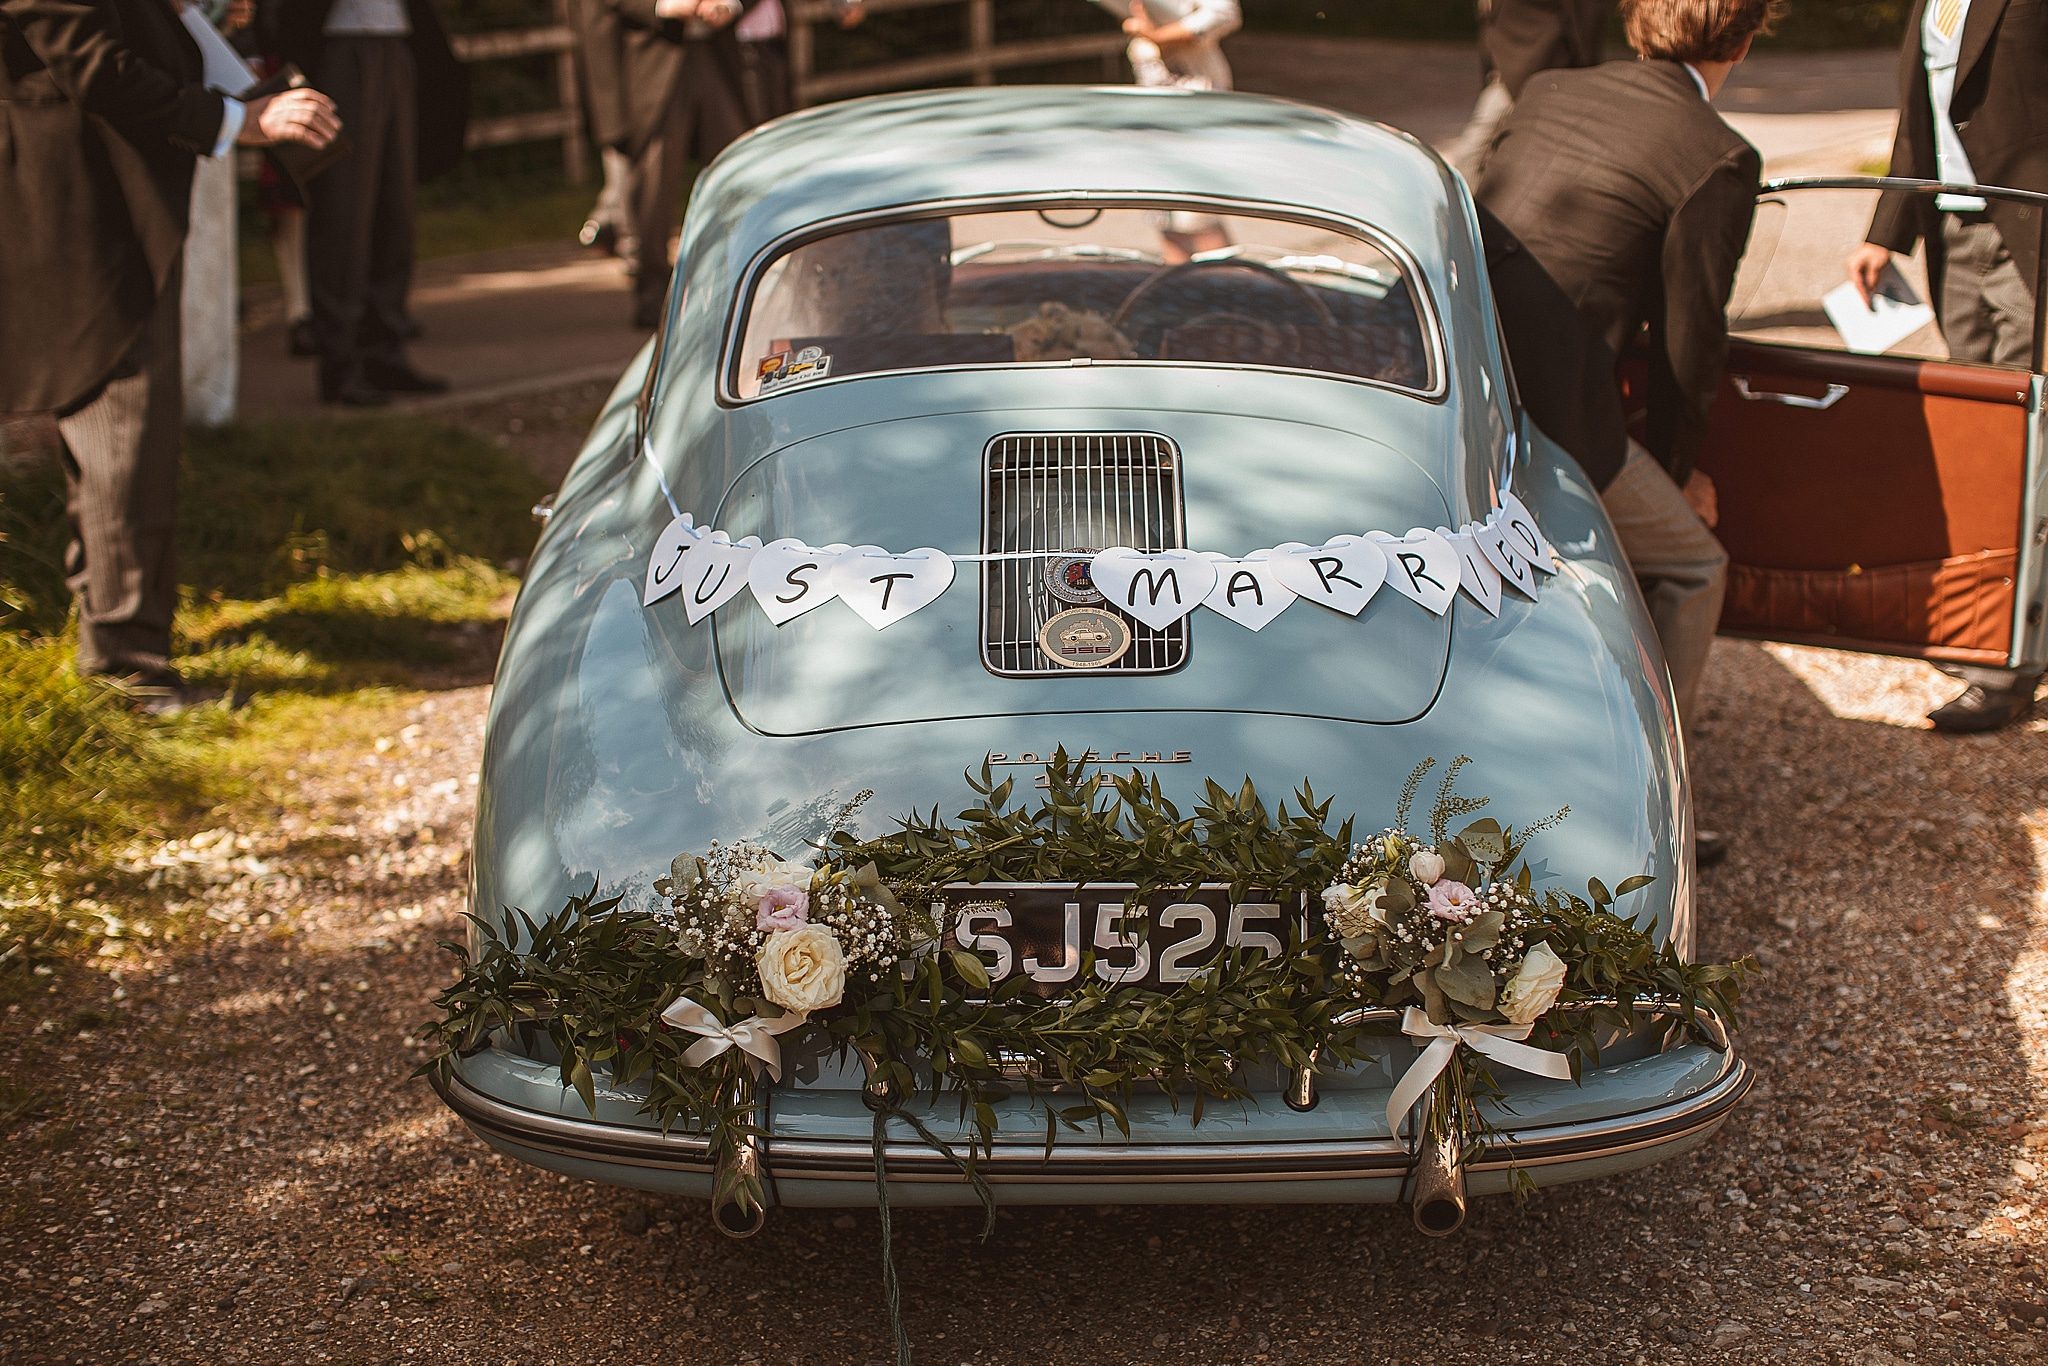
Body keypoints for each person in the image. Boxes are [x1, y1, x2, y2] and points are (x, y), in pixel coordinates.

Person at [1478, 0, 1784, 867]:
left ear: (1638, 20)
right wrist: (1682, 471)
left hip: (1462, 363)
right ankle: (1656, 802)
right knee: (1693, 564)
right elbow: (1693, 339)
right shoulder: (1715, 153)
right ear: (1746, 37)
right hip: (1552, 408)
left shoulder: (1547, 90)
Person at [1, 0, 338, 710]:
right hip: (82, 206)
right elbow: (100, 66)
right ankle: (129, 673)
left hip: (111, 199)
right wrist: (239, 121)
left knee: (124, 438)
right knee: (125, 434)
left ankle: (113, 642)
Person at [1845, 0, 2045, 733]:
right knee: (1984, 442)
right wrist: (1887, 230)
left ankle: (2010, 661)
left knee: (2029, 451)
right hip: (1952, 232)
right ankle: (2005, 629)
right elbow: (1918, 115)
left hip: (2030, 227)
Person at [275, 0, 469, 407]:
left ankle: (385, 351)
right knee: (343, 212)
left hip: (397, 41)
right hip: (337, 48)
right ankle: (340, 362)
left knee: (394, 211)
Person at [609, 0, 754, 330]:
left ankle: (739, 281)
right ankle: (653, 292)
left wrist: (731, 4)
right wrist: (663, 5)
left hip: (717, 54)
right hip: (659, 55)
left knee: (736, 171)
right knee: (654, 183)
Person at [1117, 1, 1241, 260]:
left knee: (1200, 215)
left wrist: (1157, 36)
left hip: (1194, 101)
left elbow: (1223, 14)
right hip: (1155, 104)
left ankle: (1228, 294)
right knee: (1165, 215)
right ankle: (1178, 294)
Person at [1447, 0, 1612, 181]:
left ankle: (1463, 203)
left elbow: (1585, 17)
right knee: (1479, 148)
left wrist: (1584, 67)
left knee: (1477, 147)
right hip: (1515, 60)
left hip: (1540, 61)